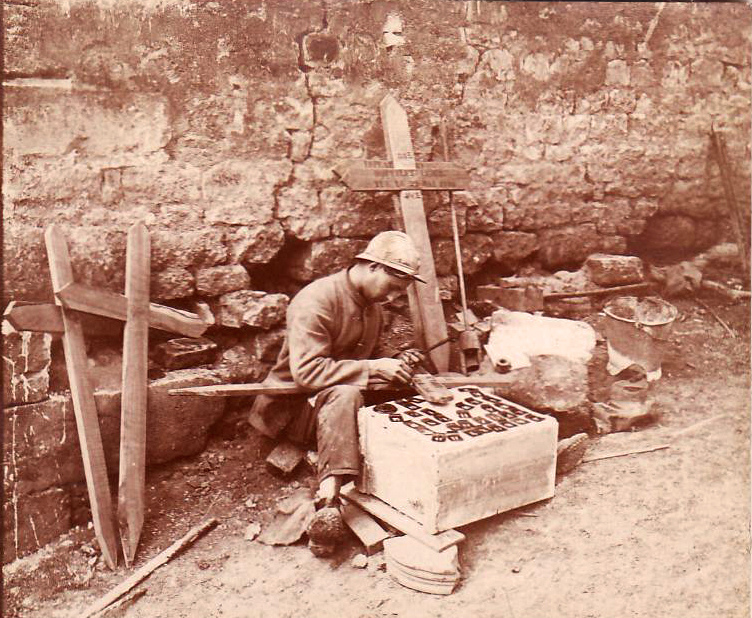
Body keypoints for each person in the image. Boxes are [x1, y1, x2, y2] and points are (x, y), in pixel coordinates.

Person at [248, 230, 427, 553]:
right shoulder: (316, 300)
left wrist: (396, 363)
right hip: (292, 410)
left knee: (397, 387)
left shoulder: (371, 307)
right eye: (391, 287)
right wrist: (375, 369)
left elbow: (357, 360)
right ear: (373, 267)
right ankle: (329, 498)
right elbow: (308, 373)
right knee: (346, 394)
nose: (391, 297)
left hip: (330, 404)